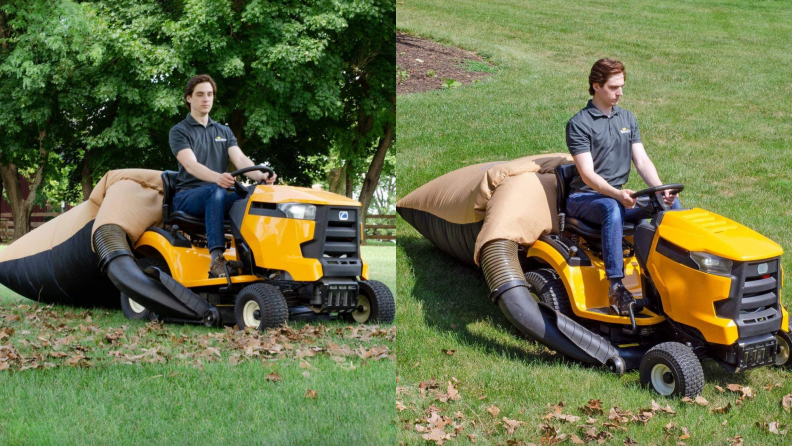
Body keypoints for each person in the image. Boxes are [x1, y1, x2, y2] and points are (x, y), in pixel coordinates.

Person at [565, 59, 680, 316]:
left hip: (617, 197)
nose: (620, 93)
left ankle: (675, 273)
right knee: (611, 208)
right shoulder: (579, 123)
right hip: (585, 198)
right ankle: (616, 287)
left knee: (671, 204)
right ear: (596, 85)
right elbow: (587, 174)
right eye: (614, 87)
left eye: (622, 86)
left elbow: (641, 160)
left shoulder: (627, 117)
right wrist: (617, 194)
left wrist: (661, 189)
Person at [169, 74, 277, 278]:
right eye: (200, 94)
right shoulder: (179, 131)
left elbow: (241, 160)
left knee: (254, 194)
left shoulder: (223, 131)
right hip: (187, 197)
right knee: (216, 190)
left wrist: (261, 176)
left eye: (209, 94)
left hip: (217, 194)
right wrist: (217, 178)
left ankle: (256, 258)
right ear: (189, 98)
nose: (206, 99)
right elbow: (190, 165)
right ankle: (217, 260)